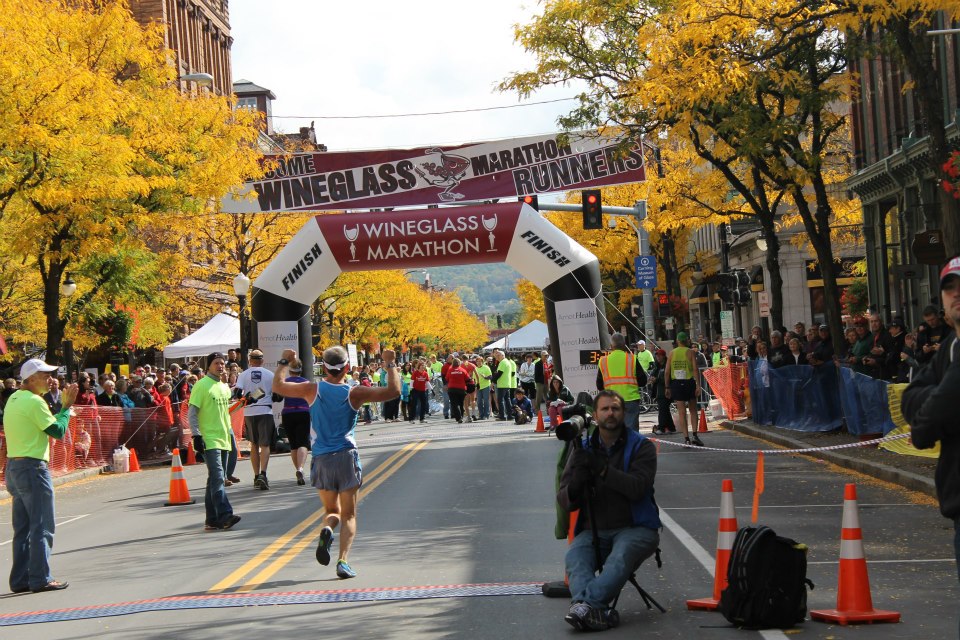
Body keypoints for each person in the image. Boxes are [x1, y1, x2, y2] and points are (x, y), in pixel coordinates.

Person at [272, 346, 401, 580]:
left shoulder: (313, 389)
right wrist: (389, 363)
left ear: (325, 366)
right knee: (349, 515)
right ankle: (343, 561)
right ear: (347, 367)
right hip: (346, 456)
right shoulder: (354, 392)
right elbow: (393, 391)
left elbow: (278, 386)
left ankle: (328, 528)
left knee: (332, 511)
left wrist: (284, 361)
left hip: (321, 457)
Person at [558, 390, 661, 632]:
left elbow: (637, 488)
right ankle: (594, 612)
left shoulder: (642, 447)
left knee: (621, 555)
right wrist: (575, 486)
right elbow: (564, 499)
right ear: (595, 415)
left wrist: (602, 470)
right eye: (604, 409)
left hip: (636, 527)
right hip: (595, 530)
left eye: (615, 408)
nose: (610, 413)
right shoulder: (582, 448)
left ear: (624, 413)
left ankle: (584, 606)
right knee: (575, 558)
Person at [902, 256, 960, 613]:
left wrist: (925, 428)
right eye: (950, 289)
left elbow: (940, 404)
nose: (957, 295)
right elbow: (913, 396)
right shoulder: (949, 349)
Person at [5, 358, 78, 593]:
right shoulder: (35, 402)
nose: (50, 379)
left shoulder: (14, 399)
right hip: (33, 468)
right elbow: (57, 430)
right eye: (44, 375)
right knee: (42, 525)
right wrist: (66, 409)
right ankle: (40, 578)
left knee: (23, 528)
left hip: (15, 467)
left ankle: (20, 579)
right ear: (31, 379)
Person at [189, 352, 240, 532]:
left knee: (214, 480)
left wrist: (245, 401)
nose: (220, 366)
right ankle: (225, 515)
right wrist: (196, 435)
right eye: (217, 363)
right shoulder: (201, 385)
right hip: (209, 438)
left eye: (223, 363)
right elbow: (192, 412)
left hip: (224, 437)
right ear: (209, 365)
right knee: (219, 477)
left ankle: (211, 520)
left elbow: (226, 410)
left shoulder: (224, 386)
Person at [233, 349, 275, 490]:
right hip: (265, 410)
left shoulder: (243, 375)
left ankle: (256, 476)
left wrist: (248, 398)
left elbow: (238, 393)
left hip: (250, 412)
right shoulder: (270, 374)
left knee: (254, 445)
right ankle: (263, 473)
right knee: (265, 445)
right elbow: (277, 396)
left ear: (250, 361)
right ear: (262, 361)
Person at [596, 333, 647, 432]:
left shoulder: (603, 361)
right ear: (624, 345)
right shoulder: (632, 359)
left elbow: (599, 385)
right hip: (631, 400)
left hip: (611, 401)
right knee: (631, 432)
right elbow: (643, 381)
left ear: (611, 346)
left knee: (614, 431)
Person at [665, 332, 703, 447]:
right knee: (693, 410)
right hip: (689, 382)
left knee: (681, 412)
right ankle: (695, 435)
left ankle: (686, 438)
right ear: (686, 341)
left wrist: (667, 387)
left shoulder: (672, 353)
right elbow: (695, 369)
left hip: (676, 383)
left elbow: (667, 371)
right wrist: (698, 385)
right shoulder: (690, 352)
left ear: (677, 341)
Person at [281, 358, 311, 486]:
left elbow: (278, 396)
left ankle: (297, 469)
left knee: (293, 444)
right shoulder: (306, 383)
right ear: (300, 369)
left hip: (288, 413)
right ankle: (300, 468)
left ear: (290, 369)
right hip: (303, 412)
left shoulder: (285, 382)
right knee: (303, 442)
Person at [649, 349, 675, 435]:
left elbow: (668, 377)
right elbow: (653, 374)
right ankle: (671, 427)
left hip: (666, 390)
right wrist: (652, 378)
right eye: (657, 355)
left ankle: (662, 428)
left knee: (662, 410)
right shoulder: (656, 366)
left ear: (664, 356)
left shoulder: (668, 365)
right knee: (665, 409)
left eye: (659, 355)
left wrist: (657, 379)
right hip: (658, 391)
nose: (658, 357)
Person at [445, 357, 468, 423]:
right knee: (461, 404)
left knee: (454, 404)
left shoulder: (450, 370)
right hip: (461, 389)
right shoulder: (462, 370)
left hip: (452, 389)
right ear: (459, 363)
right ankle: (461, 416)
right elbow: (467, 378)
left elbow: (447, 378)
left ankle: (458, 418)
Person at [409, 359, 430, 423]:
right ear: (419, 366)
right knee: (414, 404)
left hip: (423, 390)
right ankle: (411, 419)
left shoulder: (425, 373)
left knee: (423, 404)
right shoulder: (415, 373)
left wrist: (431, 389)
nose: (423, 367)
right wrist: (411, 388)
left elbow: (427, 382)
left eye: (424, 366)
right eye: (422, 366)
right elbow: (412, 381)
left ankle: (422, 419)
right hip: (415, 390)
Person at [474, 354, 492, 420]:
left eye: (480, 361)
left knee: (486, 401)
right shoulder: (475, 369)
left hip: (486, 386)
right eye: (477, 361)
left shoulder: (486, 367)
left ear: (482, 362)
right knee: (479, 402)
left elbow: (490, 377)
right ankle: (481, 415)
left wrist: (485, 377)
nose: (478, 362)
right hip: (479, 387)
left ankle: (486, 415)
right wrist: (475, 385)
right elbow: (474, 379)